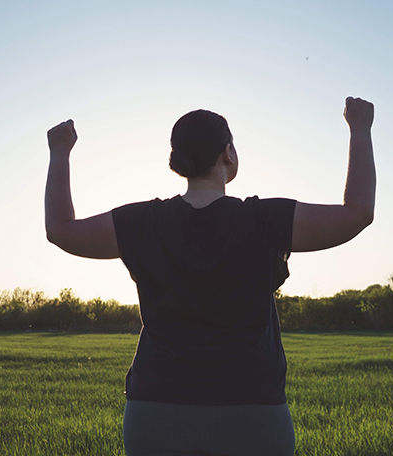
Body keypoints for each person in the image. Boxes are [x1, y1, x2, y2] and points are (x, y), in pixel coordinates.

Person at [44, 97, 375, 456]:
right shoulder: (264, 219)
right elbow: (357, 213)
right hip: (254, 411)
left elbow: (61, 230)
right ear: (228, 154)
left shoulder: (141, 223)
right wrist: (360, 130)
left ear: (178, 161)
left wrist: (60, 153)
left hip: (155, 412)